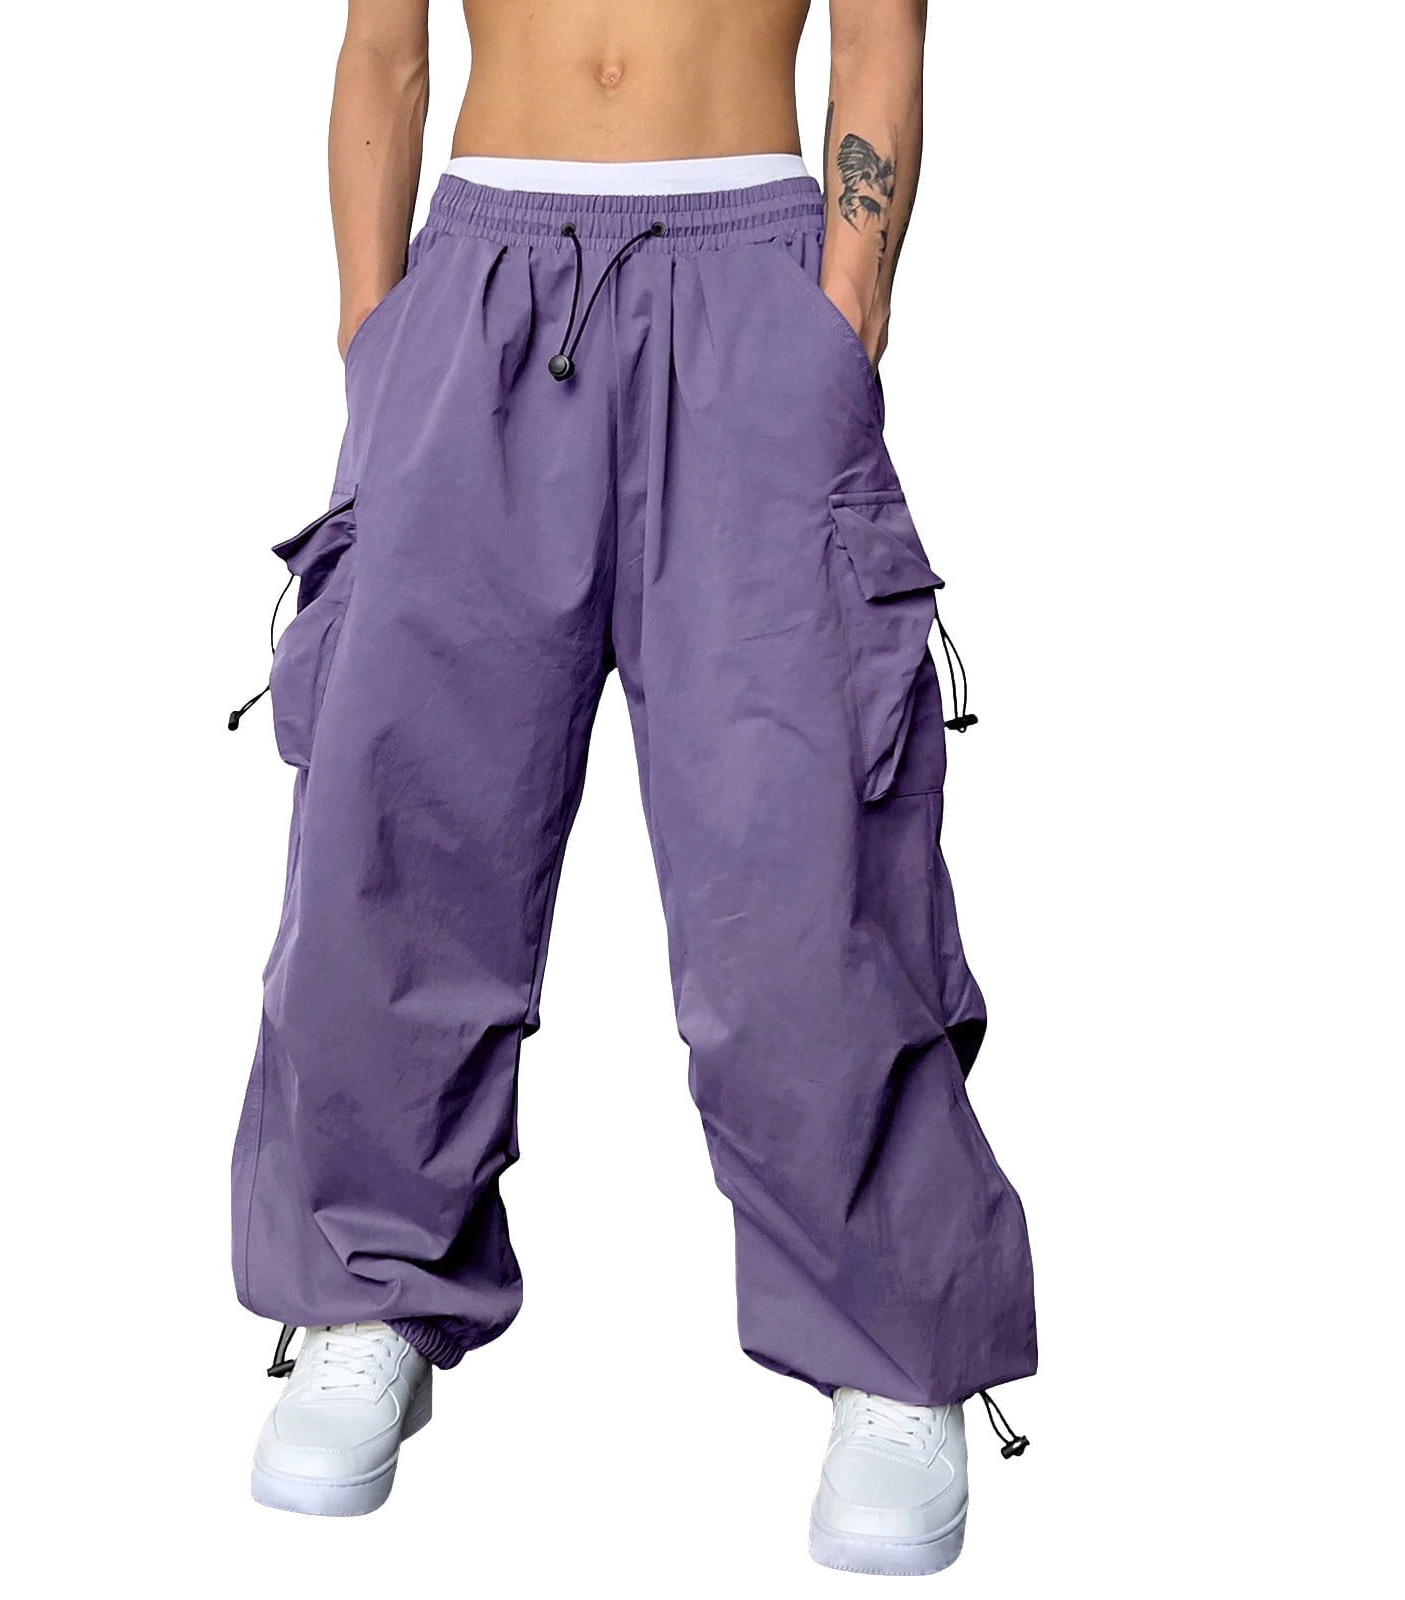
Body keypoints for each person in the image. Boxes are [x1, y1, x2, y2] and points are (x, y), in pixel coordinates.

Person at [229, 0, 1036, 1575]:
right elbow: (385, 45)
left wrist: (844, 315)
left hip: (752, 279)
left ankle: (890, 1349)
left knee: (800, 859)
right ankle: (367, 1293)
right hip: (479, 277)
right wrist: (373, 336)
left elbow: (878, 37)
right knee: (396, 827)